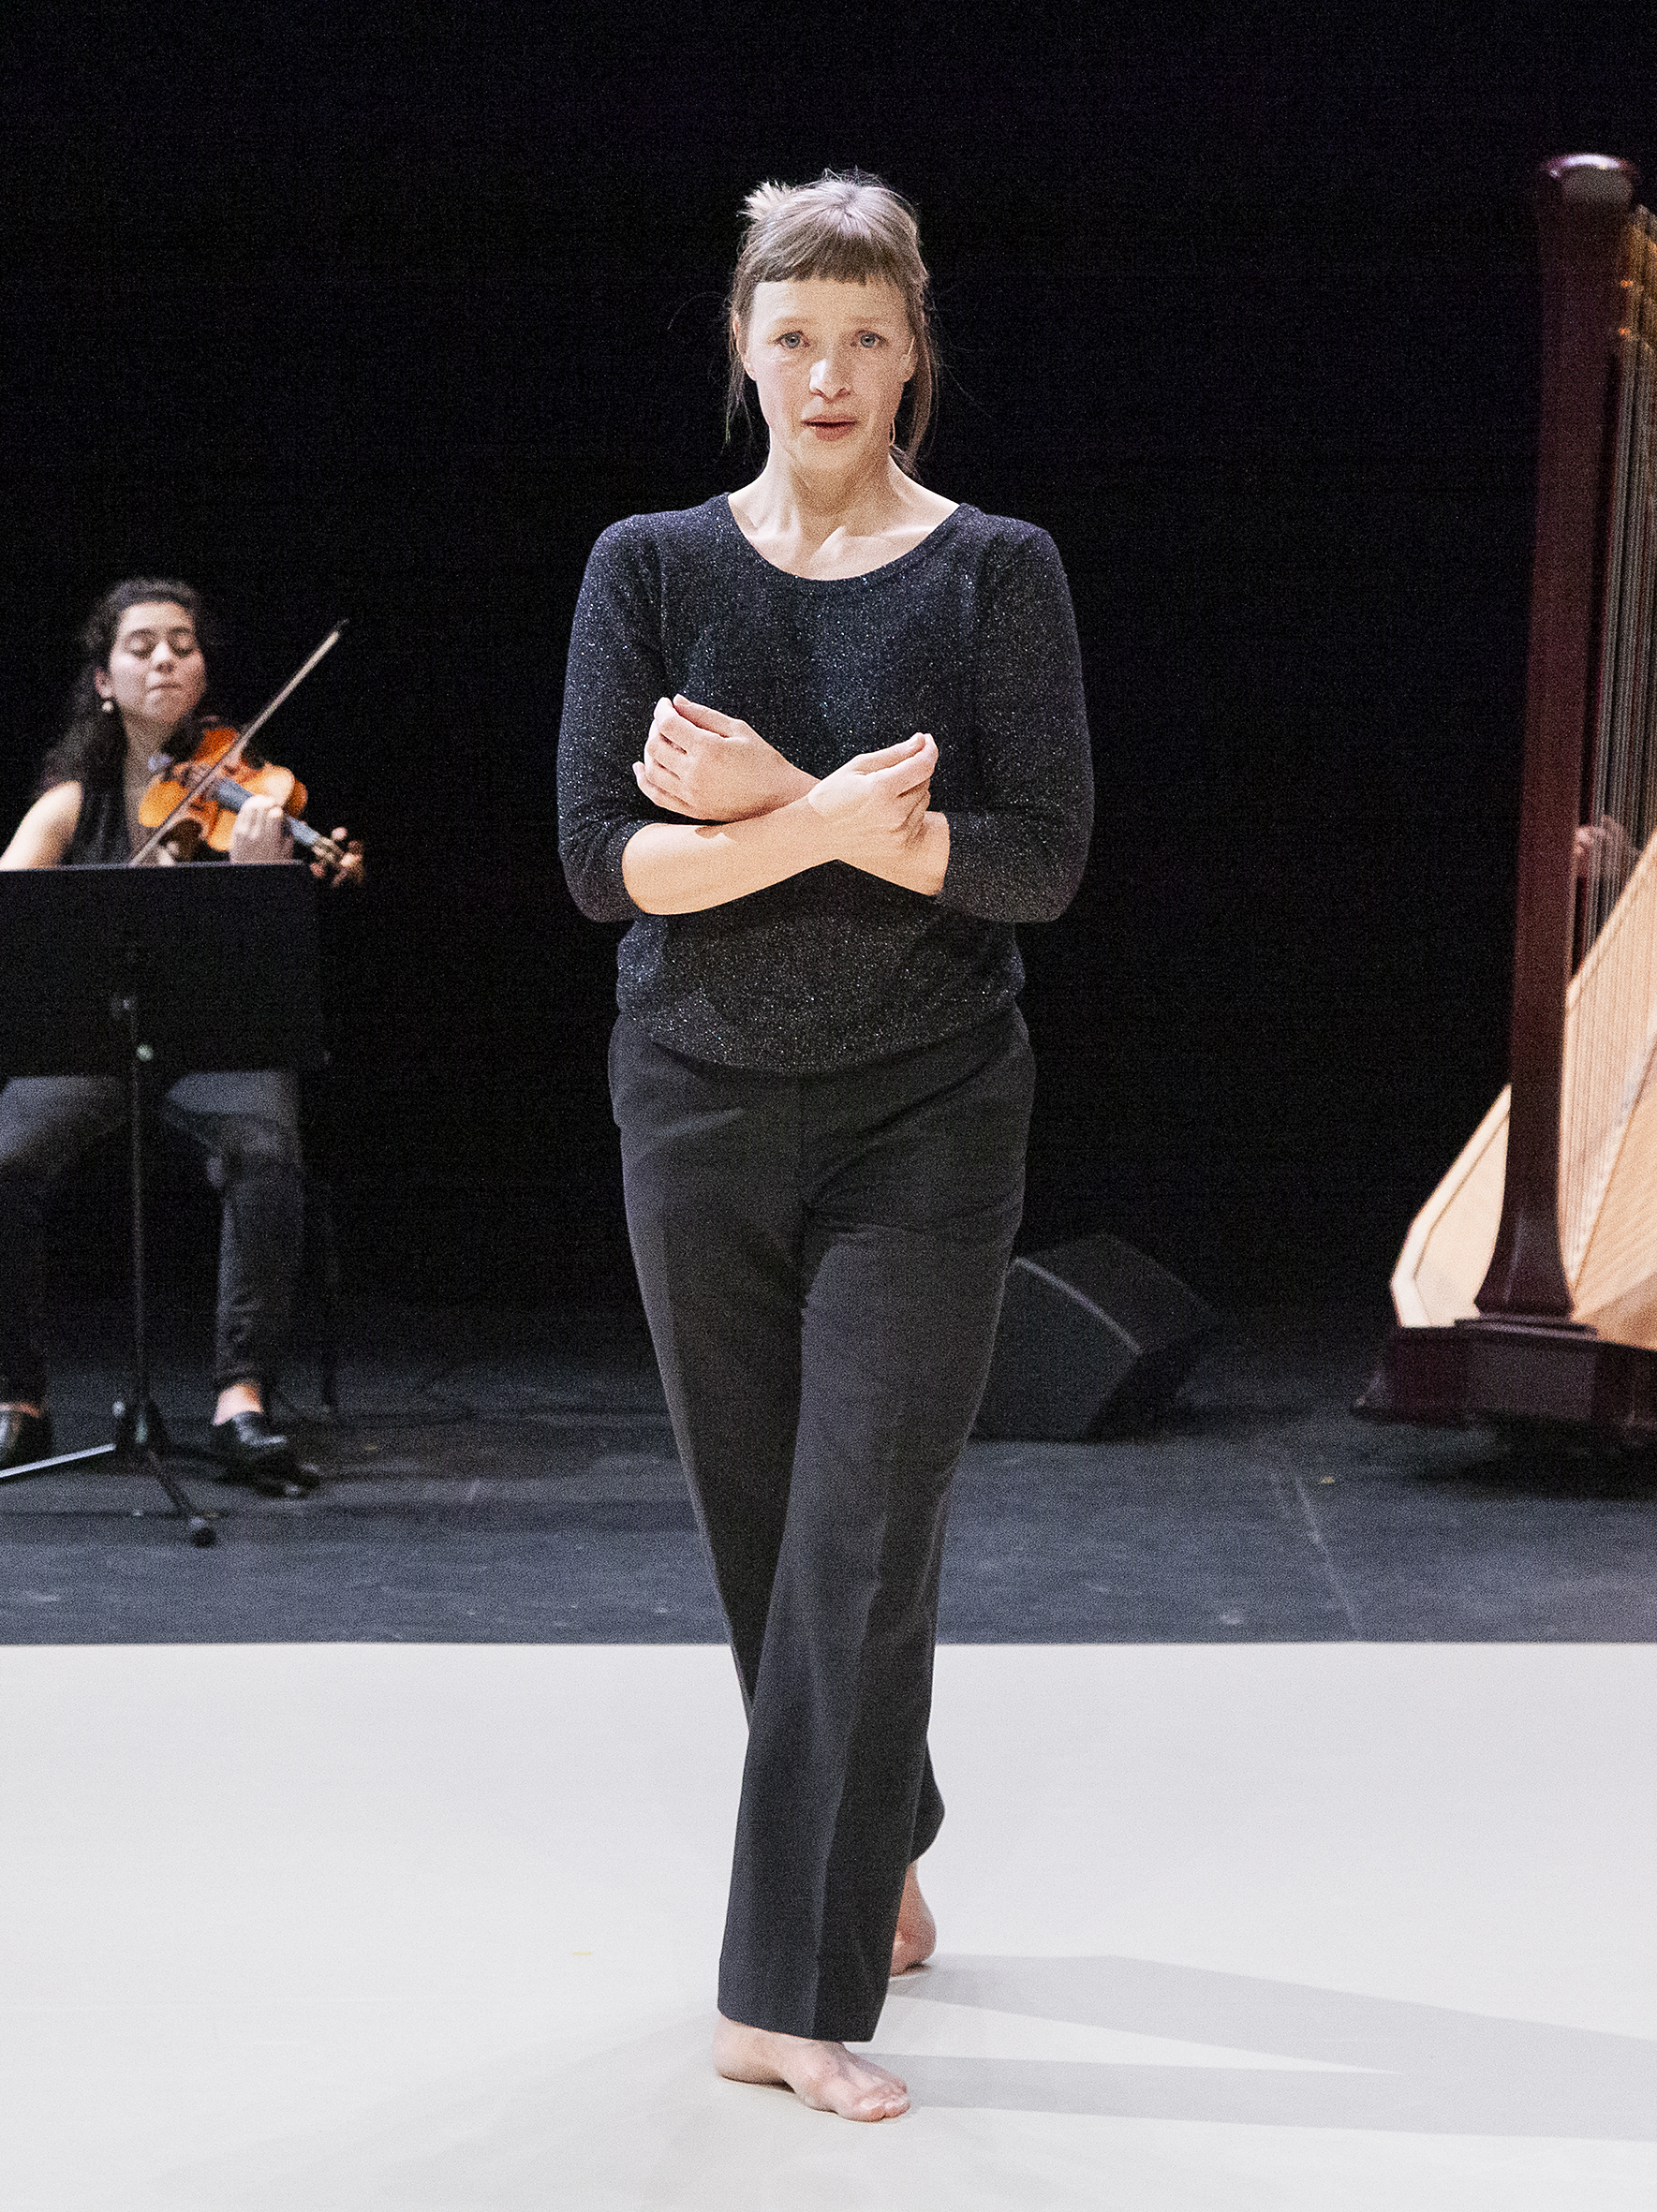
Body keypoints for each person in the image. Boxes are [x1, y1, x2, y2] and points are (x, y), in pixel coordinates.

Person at [555, 171, 1092, 2123]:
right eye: (793, 334)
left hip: (926, 1113)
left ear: (913, 351)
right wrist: (823, 813)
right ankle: (892, 1813)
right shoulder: (650, 566)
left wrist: (758, 801)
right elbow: (605, 868)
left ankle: (778, 1987)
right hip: (690, 1104)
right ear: (740, 347)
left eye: (866, 334)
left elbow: (1032, 861)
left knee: (854, 1529)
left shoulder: (994, 571)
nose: (829, 370)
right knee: (766, 1537)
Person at [0, 578, 360, 1496]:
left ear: (203, 669)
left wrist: (264, 877)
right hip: (94, 1041)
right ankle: (20, 1400)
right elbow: (0, 924)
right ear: (104, 679)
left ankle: (240, 1400)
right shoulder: (70, 804)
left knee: (265, 1153)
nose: (165, 658)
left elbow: (271, 966)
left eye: (182, 642)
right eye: (141, 646)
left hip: (217, 1041)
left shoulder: (252, 792)